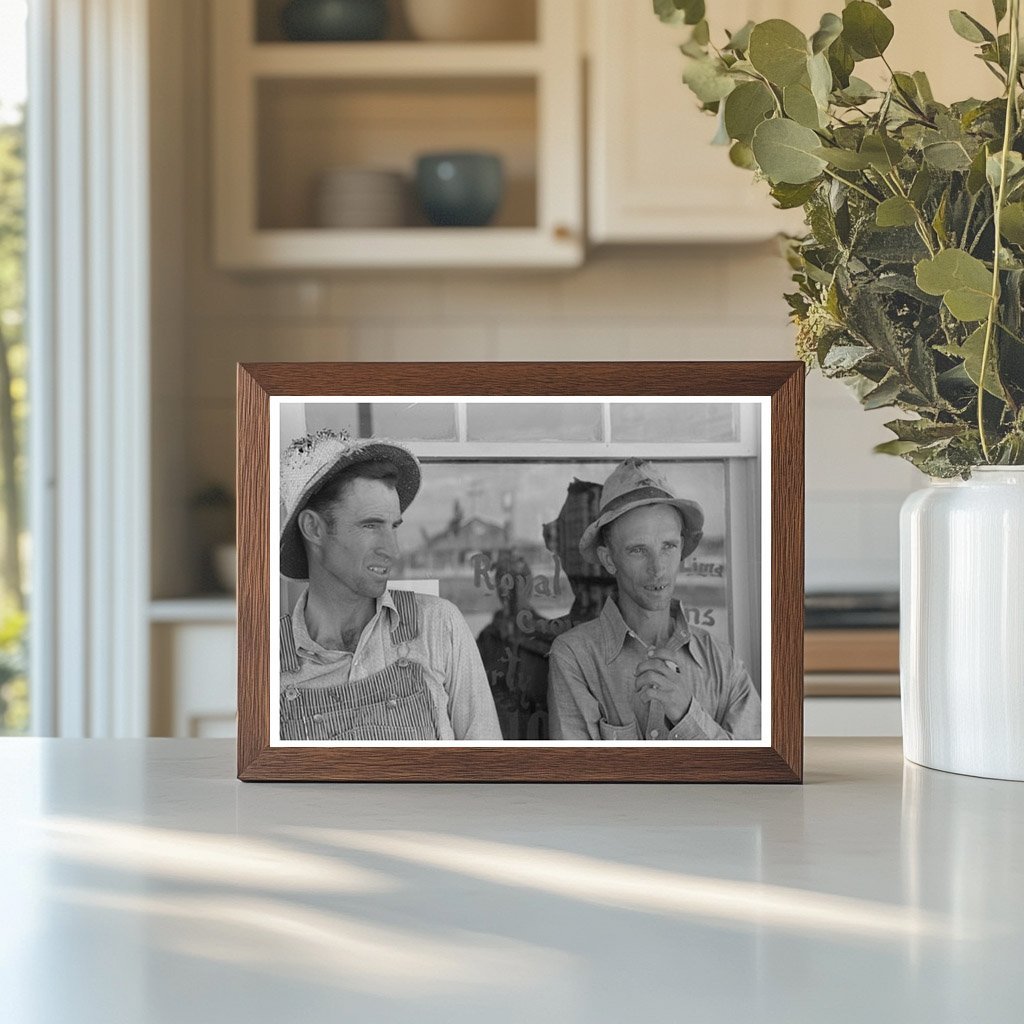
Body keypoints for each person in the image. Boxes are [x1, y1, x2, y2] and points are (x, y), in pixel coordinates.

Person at [278, 428, 502, 741]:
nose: (392, 550)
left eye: (393, 527)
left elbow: (488, 769)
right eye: (370, 525)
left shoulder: (438, 626)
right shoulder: (268, 663)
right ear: (314, 529)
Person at [547, 459, 761, 741]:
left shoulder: (724, 662)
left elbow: (753, 777)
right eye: (638, 550)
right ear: (609, 559)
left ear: (682, 549)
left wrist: (687, 714)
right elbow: (580, 780)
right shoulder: (576, 657)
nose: (658, 568)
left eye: (668, 547)